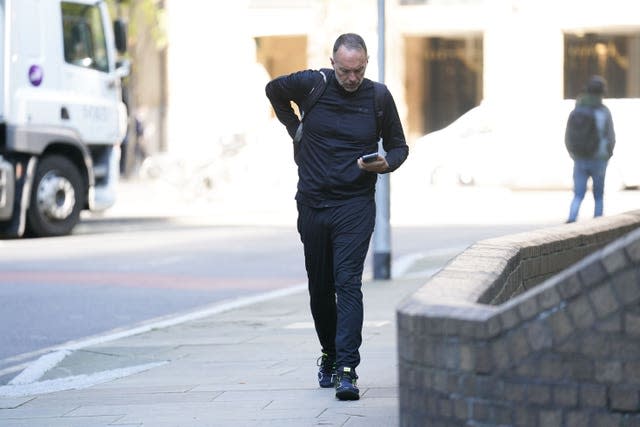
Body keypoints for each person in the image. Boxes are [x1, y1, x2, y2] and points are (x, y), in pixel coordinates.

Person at [265, 33, 408, 401]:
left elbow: (399, 146)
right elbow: (273, 90)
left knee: (347, 284)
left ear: (366, 64)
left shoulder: (378, 97)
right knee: (320, 287)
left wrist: (385, 163)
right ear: (332, 64)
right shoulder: (312, 84)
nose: (352, 79)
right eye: (345, 71)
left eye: (358, 71)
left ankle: (347, 369)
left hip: (355, 206)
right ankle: (328, 353)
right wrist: (294, 129)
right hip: (312, 203)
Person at [565, 75, 615, 223]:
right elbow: (610, 136)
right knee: (598, 195)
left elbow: (568, 136)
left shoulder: (577, 110)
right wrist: (607, 155)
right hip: (599, 159)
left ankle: (571, 220)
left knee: (578, 194)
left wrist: (573, 154)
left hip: (579, 158)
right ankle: (598, 223)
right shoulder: (603, 111)